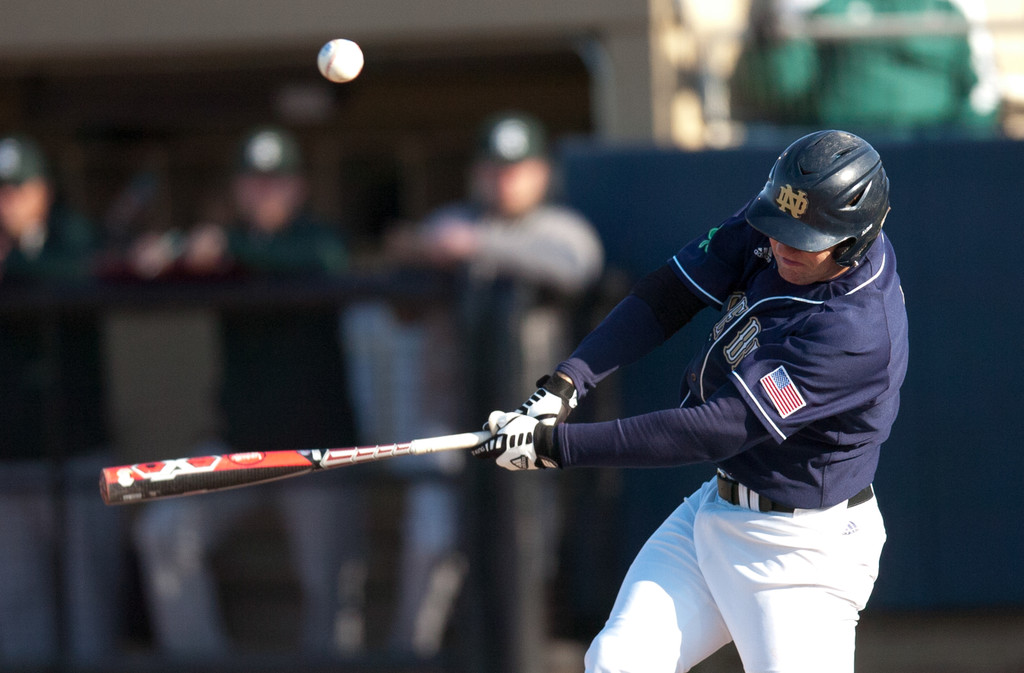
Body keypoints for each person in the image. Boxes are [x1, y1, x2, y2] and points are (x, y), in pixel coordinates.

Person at [473, 129, 908, 673]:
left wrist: (555, 447)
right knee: (617, 663)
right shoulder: (782, 218)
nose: (781, 245)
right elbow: (671, 292)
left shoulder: (854, 331)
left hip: (801, 552)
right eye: (778, 227)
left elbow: (715, 429)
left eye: (804, 238)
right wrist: (565, 384)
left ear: (854, 241)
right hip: (718, 511)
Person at [344, 111, 604, 659]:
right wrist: (417, 251)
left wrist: (475, 246)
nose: (503, 180)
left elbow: (579, 264)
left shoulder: (558, 227)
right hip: (452, 422)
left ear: (540, 173)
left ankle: (526, 655)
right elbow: (401, 304)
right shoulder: (450, 221)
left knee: (528, 552)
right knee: (433, 537)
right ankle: (413, 654)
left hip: (530, 427)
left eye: (516, 169)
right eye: (493, 168)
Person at [131, 126, 365, 657]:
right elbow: (146, 272)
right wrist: (161, 255)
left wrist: (224, 248)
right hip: (241, 444)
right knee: (165, 532)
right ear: (238, 188)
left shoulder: (316, 238)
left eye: (276, 181)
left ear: (298, 187)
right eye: (255, 182)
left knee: (328, 588)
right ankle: (202, 660)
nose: (265, 193)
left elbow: (324, 261)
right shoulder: (223, 247)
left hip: (318, 446)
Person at [0, 133, 120, 665]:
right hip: (9, 462)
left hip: (78, 456)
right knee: (18, 613)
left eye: (17, 189)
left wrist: (13, 269)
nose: (7, 202)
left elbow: (90, 267)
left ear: (43, 191)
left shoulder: (73, 237)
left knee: (88, 610)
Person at [730, 0, 999, 137]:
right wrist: (772, 45)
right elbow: (781, 87)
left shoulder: (951, 7)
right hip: (838, 155)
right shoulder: (816, 8)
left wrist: (963, 142)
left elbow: (982, 92)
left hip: (935, 152)